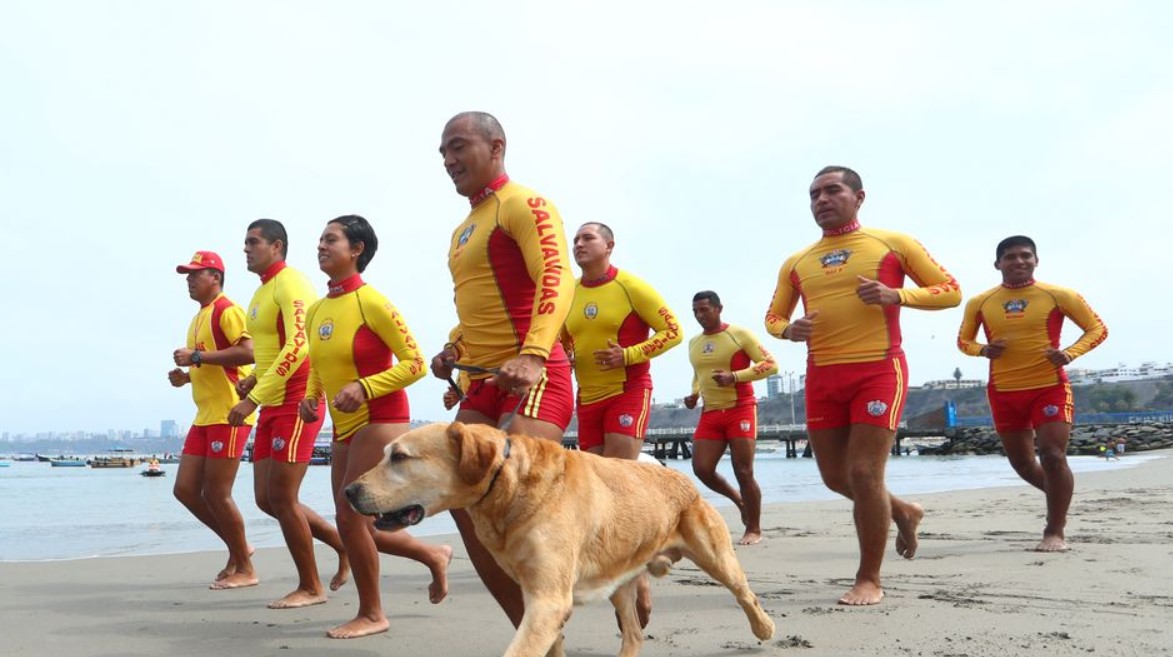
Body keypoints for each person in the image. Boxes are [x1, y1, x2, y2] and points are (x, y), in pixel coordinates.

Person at [765, 166, 961, 605]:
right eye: (814, 193)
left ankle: (868, 578)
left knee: (863, 472)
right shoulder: (797, 262)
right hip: (822, 376)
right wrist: (788, 330)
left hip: (878, 370)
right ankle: (904, 511)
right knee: (836, 477)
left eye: (832, 190)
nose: (821, 199)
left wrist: (898, 295)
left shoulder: (893, 243)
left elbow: (949, 290)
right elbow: (773, 318)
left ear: (859, 197)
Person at [430, 111, 575, 629]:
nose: (448, 160)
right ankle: (533, 633)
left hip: (534, 374)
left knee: (520, 498)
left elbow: (557, 278)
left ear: (496, 146)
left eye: (458, 146)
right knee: (460, 493)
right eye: (442, 152)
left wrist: (534, 354)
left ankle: (624, 569)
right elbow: (480, 309)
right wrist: (452, 348)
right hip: (484, 382)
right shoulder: (463, 229)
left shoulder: (525, 204)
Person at [299, 215, 452, 639]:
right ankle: (434, 555)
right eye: (320, 240)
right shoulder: (316, 310)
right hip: (342, 424)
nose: (321, 246)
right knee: (358, 525)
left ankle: (372, 613)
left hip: (381, 418)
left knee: (349, 519)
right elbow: (319, 366)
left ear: (357, 250)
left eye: (331, 239)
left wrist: (366, 387)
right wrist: (311, 398)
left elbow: (415, 363)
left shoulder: (373, 302)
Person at [561, 221, 683, 624]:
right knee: (601, 494)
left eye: (587, 237)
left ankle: (639, 578)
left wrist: (629, 355)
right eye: (575, 239)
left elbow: (673, 332)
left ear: (609, 245)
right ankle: (635, 571)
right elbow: (560, 343)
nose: (578, 244)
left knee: (618, 485)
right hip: (588, 399)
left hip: (628, 391)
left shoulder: (632, 286)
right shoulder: (570, 294)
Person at [957, 235, 1107, 552]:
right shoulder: (981, 302)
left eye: (1026, 256)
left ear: (1036, 260)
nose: (1019, 262)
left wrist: (1070, 353)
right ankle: (1060, 496)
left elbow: (1097, 328)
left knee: (1052, 455)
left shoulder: (1058, 294)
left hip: (1049, 387)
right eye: (1010, 257)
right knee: (1023, 464)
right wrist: (984, 349)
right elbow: (963, 342)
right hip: (1003, 390)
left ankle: (1055, 529)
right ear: (998, 264)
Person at [227, 219, 349, 609]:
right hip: (270, 401)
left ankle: (311, 587)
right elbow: (270, 349)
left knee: (282, 496)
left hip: (297, 399)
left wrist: (253, 397)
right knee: (266, 498)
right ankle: (341, 545)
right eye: (244, 242)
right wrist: (253, 382)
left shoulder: (291, 281)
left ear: (276, 246)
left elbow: (299, 345)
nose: (246, 248)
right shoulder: (261, 292)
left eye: (253, 242)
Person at [169, 250, 258, 589]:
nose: (189, 280)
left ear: (215, 278)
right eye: (187, 275)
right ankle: (239, 548)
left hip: (230, 413)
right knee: (186, 490)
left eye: (196, 274)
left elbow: (248, 353)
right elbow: (216, 365)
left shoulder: (226, 309)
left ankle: (245, 567)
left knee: (218, 494)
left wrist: (195, 356)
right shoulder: (198, 317)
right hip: (205, 414)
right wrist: (188, 376)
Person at [685, 290, 777, 546]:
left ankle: (754, 528)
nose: (699, 316)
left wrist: (734, 377)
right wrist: (693, 395)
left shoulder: (738, 335)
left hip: (741, 409)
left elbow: (771, 364)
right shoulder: (693, 342)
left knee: (744, 471)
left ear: (718, 308)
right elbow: (698, 374)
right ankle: (738, 500)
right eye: (695, 311)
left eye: (704, 310)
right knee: (702, 469)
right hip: (711, 412)